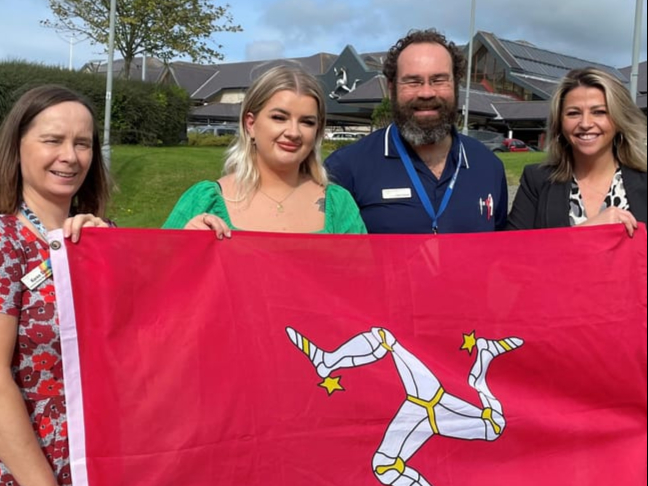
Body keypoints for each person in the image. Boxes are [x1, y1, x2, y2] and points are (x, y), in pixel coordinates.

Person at [0, 85, 111, 485]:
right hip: (29, 470)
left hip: (106, 462)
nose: (70, 156)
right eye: (53, 140)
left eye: (83, 143)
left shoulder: (106, 236)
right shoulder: (6, 241)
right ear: (18, 145)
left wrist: (196, 245)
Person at [325, 29, 508, 234]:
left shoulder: (489, 166)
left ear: (456, 86)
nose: (426, 93)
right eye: (413, 81)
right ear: (391, 88)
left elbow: (498, 255)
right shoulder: (345, 168)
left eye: (438, 80)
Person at [163, 65, 366, 235]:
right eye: (279, 118)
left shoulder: (339, 204)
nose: (294, 132)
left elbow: (363, 278)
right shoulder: (205, 199)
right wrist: (183, 245)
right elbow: (152, 273)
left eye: (307, 122)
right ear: (250, 124)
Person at [507, 67, 647, 235]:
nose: (585, 123)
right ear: (559, 123)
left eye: (599, 112)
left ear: (619, 120)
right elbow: (512, 252)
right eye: (573, 113)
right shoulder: (537, 181)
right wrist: (585, 231)